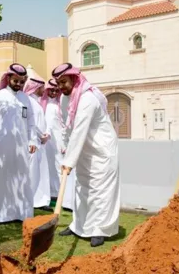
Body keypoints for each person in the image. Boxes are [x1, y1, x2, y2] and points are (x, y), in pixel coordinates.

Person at [51, 63, 120, 247]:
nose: (60, 87)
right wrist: (66, 150)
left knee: (99, 192)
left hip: (101, 152)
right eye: (58, 83)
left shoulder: (87, 98)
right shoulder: (66, 99)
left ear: (74, 79)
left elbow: (80, 129)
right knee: (81, 189)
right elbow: (67, 127)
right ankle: (78, 226)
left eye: (64, 82)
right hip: (83, 151)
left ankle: (100, 230)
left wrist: (69, 161)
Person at [0, 63, 39, 229]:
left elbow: (31, 122)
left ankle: (21, 214)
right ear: (8, 78)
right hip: (0, 147)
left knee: (21, 179)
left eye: (22, 82)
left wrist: (32, 140)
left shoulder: (25, 99)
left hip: (21, 148)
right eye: (16, 80)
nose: (19, 84)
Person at [41, 79, 76, 211]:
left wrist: (64, 143)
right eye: (52, 90)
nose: (54, 92)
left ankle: (64, 198)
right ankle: (55, 195)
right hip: (50, 143)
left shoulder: (59, 104)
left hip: (59, 142)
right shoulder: (48, 106)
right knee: (53, 169)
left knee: (61, 168)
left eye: (57, 90)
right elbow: (48, 125)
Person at [22, 75, 52, 211]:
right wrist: (42, 136)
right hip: (33, 143)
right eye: (42, 87)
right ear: (36, 88)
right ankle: (31, 200)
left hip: (40, 143)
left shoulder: (36, 103)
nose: (44, 90)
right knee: (32, 174)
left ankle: (39, 201)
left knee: (40, 173)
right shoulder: (29, 102)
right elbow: (31, 124)